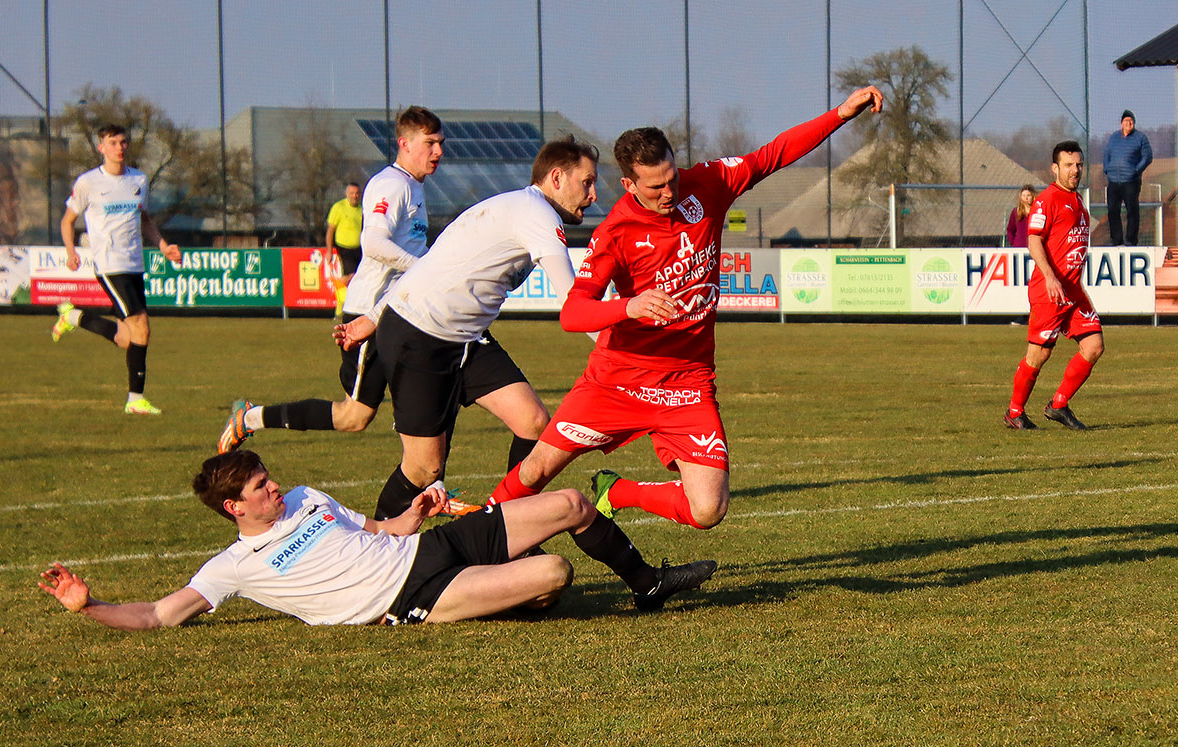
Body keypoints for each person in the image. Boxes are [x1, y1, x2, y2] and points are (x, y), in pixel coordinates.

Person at [493, 88, 887, 532]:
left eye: (672, 178)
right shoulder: (616, 232)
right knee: (535, 471)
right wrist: (630, 306)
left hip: (688, 384)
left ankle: (617, 492)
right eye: (656, 186)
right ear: (628, 184)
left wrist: (841, 114)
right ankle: (470, 536)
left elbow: (772, 155)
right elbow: (573, 313)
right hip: (619, 380)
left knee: (707, 509)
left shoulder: (707, 184)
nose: (669, 192)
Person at [37, 448, 708, 629]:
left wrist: (413, 511)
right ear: (231, 507)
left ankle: (646, 584)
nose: (278, 489)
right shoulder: (233, 566)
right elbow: (159, 614)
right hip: (410, 596)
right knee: (553, 575)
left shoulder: (306, 500)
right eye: (262, 488)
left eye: (272, 479)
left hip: (427, 548)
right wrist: (89, 606)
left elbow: (379, 529)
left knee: (565, 502)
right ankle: (513, 590)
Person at [333, 140, 600, 521]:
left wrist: (374, 315)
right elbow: (576, 305)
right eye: (587, 182)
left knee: (533, 422)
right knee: (424, 469)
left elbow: (435, 264)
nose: (592, 194)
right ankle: (375, 550)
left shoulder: (512, 205)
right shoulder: (538, 214)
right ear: (557, 178)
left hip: (464, 338)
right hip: (419, 336)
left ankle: (504, 530)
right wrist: (621, 351)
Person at [222, 106, 446, 449]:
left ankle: (430, 483)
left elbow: (408, 246)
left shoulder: (414, 187)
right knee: (353, 417)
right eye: (430, 143)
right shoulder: (392, 185)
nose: (438, 151)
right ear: (404, 143)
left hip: (399, 313)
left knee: (430, 393)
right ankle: (251, 417)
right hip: (371, 312)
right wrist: (422, 267)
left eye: (440, 143)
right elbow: (372, 243)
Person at [49, 124, 185, 414]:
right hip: (109, 264)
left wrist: (163, 246)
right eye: (112, 143)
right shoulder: (88, 182)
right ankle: (135, 400)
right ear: (101, 148)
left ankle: (73, 316)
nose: (119, 148)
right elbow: (67, 220)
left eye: (123, 142)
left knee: (128, 338)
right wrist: (71, 252)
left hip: (135, 263)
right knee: (142, 327)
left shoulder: (139, 179)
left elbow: (145, 219)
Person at [1002, 140, 1103, 431]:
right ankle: (1014, 412)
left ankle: (1058, 405)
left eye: (1079, 164)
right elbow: (1034, 240)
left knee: (1094, 346)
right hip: (1050, 291)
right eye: (1069, 165)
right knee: (1040, 354)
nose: (1076, 170)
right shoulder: (1047, 199)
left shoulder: (1077, 199)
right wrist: (1049, 276)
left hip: (1072, 290)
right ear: (1055, 168)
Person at [1100, 110, 1154, 246]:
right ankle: (1116, 240)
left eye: (1130, 121)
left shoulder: (1140, 138)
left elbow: (1147, 157)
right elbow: (1107, 154)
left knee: (1132, 211)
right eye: (1125, 121)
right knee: (1112, 210)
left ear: (1134, 123)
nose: (1128, 123)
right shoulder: (1114, 137)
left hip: (1131, 181)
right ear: (1121, 123)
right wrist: (1107, 168)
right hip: (1113, 181)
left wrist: (1136, 171)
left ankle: (1131, 240)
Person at [325, 180, 365, 289]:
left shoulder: (362, 209)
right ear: (347, 194)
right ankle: (340, 286)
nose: (354, 196)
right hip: (344, 248)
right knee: (351, 277)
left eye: (357, 193)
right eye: (352, 193)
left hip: (359, 249)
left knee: (360, 277)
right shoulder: (339, 207)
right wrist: (329, 251)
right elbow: (330, 230)